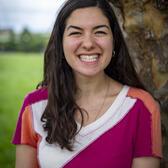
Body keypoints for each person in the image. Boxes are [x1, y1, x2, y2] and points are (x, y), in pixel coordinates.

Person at [12, 0, 162, 167]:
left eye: (100, 32)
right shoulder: (33, 106)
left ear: (114, 41)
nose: (89, 43)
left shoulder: (141, 106)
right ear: (61, 44)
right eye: (76, 33)